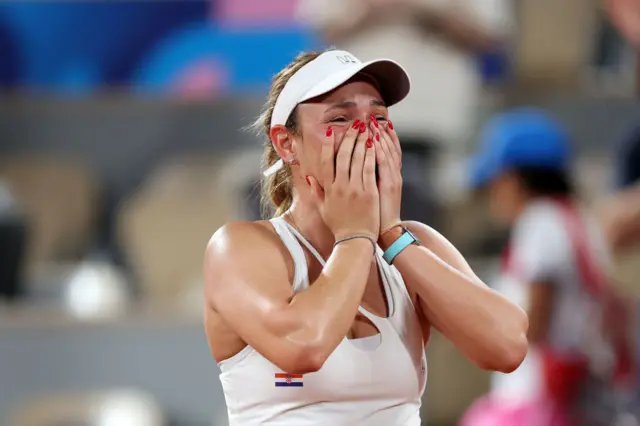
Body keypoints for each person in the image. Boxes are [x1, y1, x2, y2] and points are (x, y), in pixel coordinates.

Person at [202, 49, 528, 425]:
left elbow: (508, 346)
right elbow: (303, 345)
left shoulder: (411, 242)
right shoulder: (241, 247)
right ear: (286, 143)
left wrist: (390, 234)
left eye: (378, 118)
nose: (367, 134)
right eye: (340, 118)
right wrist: (355, 233)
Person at [460, 109, 635, 426]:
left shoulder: (539, 222)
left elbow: (535, 321)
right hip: (574, 397)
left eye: (495, 182)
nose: (492, 195)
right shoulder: (579, 219)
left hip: (534, 400)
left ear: (516, 178)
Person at [295, 0, 513, 226]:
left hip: (440, 120)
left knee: (431, 223)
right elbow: (324, 28)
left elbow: (489, 35)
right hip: (360, 116)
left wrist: (425, 9)